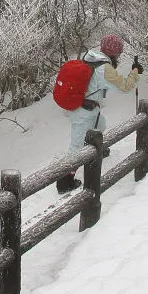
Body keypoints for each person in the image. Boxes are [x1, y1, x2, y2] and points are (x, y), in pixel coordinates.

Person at [57, 34, 142, 193]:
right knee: (76, 146)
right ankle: (65, 181)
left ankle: (97, 149)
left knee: (100, 124)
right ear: (115, 52)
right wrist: (135, 73)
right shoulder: (104, 68)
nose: (119, 56)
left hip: (84, 107)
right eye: (119, 53)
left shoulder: (90, 58)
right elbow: (124, 87)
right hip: (83, 111)